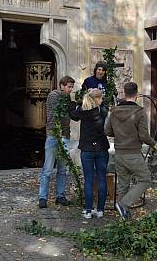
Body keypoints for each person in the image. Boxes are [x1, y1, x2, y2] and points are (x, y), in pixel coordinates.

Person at [104, 81, 156, 220]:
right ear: (137, 94)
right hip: (133, 153)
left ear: (124, 93)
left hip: (119, 153)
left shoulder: (114, 111)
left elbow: (107, 131)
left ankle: (124, 218)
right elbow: (143, 135)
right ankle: (124, 204)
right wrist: (153, 144)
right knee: (145, 180)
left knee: (123, 185)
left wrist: (121, 134)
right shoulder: (140, 112)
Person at [69, 89, 110, 219]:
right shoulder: (102, 111)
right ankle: (100, 210)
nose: (102, 100)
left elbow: (73, 115)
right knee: (102, 178)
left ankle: (88, 210)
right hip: (101, 149)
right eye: (101, 98)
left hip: (87, 150)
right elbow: (105, 107)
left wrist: (73, 102)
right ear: (96, 99)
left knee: (88, 180)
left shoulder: (83, 111)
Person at [38, 76, 76, 209]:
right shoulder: (54, 95)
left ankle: (60, 196)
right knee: (47, 169)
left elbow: (70, 115)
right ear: (62, 85)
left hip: (65, 135)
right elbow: (56, 113)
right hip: (53, 135)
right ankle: (42, 197)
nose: (70, 90)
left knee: (62, 169)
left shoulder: (67, 97)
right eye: (69, 87)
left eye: (72, 87)